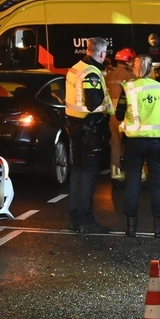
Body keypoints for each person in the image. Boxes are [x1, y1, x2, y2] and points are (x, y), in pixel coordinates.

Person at [116, 54, 160, 238]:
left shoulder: (128, 88)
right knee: (157, 184)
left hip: (135, 142)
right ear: (151, 69)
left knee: (133, 182)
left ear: (135, 69)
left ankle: (131, 228)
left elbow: (119, 114)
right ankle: (159, 228)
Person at [65, 36, 114, 233]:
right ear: (102, 53)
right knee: (88, 175)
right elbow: (93, 102)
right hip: (89, 128)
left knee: (77, 172)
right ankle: (86, 220)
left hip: (76, 125)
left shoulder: (76, 67)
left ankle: (75, 218)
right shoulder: (91, 73)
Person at [105, 47, 137, 183]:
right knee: (133, 145)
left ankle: (116, 174)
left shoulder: (108, 75)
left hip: (110, 115)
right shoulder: (128, 76)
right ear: (128, 61)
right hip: (124, 114)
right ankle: (137, 174)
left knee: (115, 144)